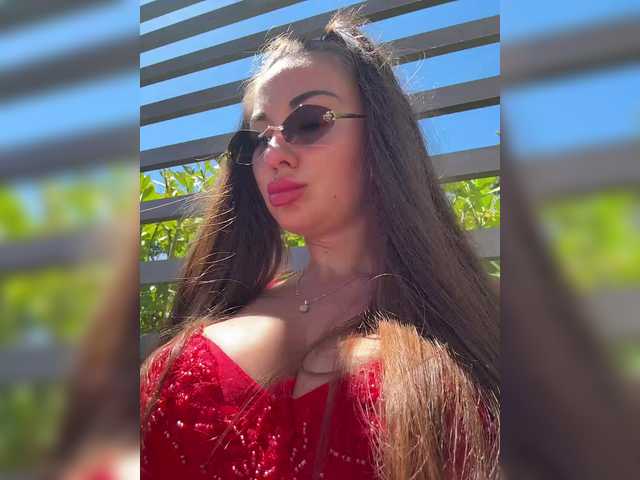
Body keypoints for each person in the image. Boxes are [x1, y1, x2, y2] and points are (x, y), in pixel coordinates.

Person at [141, 10, 499, 480]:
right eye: (256, 140)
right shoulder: (221, 313)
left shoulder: (473, 334)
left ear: (381, 137)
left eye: (309, 122)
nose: (273, 155)